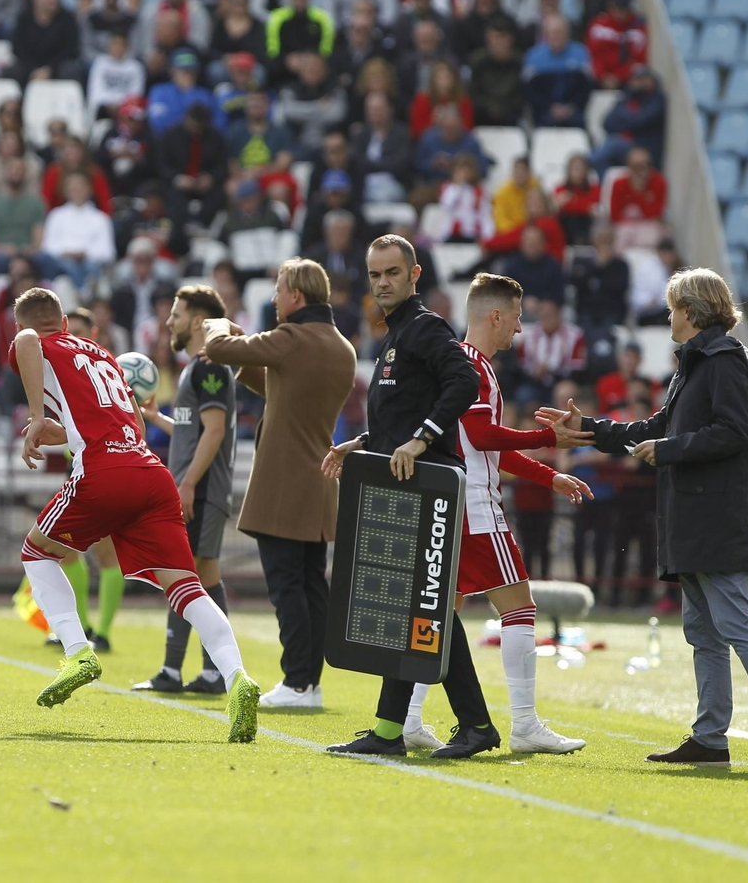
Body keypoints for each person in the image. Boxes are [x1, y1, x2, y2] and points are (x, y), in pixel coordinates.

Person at [537, 268, 748, 774]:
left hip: (717, 516)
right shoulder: (697, 364)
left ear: (691, 310)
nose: (668, 315)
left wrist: (668, 450)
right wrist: (591, 428)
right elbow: (653, 428)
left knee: (735, 624)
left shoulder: (723, 361)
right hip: (696, 516)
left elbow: (731, 431)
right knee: (703, 630)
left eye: (672, 307)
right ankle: (710, 737)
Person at [330, 273, 593, 754]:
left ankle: (406, 722)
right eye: (515, 317)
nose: (518, 328)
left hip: (448, 504)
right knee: (519, 608)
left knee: (436, 614)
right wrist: (547, 438)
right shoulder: (471, 367)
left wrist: (546, 475)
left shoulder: (457, 364)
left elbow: (481, 443)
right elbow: (485, 438)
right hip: (474, 507)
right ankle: (526, 725)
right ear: (496, 315)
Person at [8, 287, 261, 741]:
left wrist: (36, 417)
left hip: (103, 474)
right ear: (66, 322)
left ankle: (79, 650)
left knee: (36, 553)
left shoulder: (34, 341)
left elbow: (27, 341)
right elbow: (137, 426)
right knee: (186, 587)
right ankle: (237, 676)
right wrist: (61, 432)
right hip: (151, 474)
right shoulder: (104, 354)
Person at [323, 235, 501, 759]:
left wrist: (422, 437)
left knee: (428, 608)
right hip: (406, 483)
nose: (382, 282)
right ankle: (390, 731)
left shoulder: (424, 328)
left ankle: (471, 726)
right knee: (417, 611)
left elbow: (463, 382)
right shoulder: (396, 333)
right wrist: (362, 444)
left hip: (430, 486)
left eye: (392, 273)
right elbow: (402, 413)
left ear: (414, 275)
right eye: (375, 274)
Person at [201, 258, 358, 708]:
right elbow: (282, 389)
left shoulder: (292, 337)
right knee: (311, 586)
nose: (273, 298)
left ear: (296, 296)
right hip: (319, 483)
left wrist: (219, 326)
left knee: (286, 586)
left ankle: (296, 682)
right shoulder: (339, 345)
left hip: (284, 482)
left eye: (278, 289)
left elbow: (222, 350)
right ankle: (308, 681)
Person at [132, 285, 238, 695]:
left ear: (197, 321)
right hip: (198, 486)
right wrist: (155, 417)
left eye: (176, 314)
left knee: (186, 574)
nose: (168, 321)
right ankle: (198, 672)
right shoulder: (197, 367)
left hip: (203, 488)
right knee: (198, 575)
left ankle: (186, 671)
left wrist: (189, 483)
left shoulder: (209, 366)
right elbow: (193, 432)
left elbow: (214, 431)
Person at [40, 171, 115, 293]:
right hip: (63, 264)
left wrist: (84, 253)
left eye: (81, 187)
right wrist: (67, 252)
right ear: (65, 191)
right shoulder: (56, 215)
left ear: (89, 190)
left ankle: (85, 290)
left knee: (91, 266)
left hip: (90, 264)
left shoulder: (101, 218)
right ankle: (83, 291)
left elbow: (107, 252)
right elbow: (47, 247)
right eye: (73, 188)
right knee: (65, 266)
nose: (77, 191)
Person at [522, 14, 594, 129]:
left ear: (568, 33)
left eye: (560, 32)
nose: (556, 36)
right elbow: (531, 92)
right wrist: (550, 107)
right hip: (544, 112)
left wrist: (571, 107)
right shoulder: (534, 56)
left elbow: (586, 89)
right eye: (552, 32)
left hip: (574, 112)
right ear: (545, 34)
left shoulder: (581, 53)